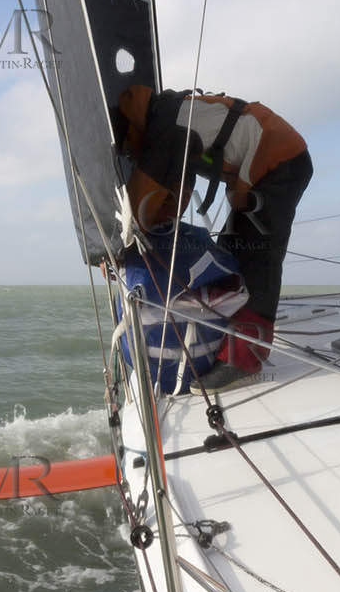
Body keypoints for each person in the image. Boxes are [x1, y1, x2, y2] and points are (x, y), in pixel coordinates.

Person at [114, 85, 313, 389]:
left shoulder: (163, 128)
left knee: (258, 258)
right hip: (263, 164)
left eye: (127, 146)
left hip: (282, 160)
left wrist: (117, 248)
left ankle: (244, 360)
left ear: (131, 128)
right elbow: (172, 198)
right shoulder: (165, 119)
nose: (130, 153)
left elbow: (139, 211)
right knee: (232, 251)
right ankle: (225, 336)